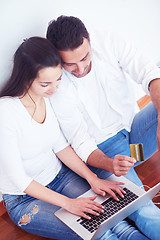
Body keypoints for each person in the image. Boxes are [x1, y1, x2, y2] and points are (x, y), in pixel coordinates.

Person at [0, 37, 149, 240]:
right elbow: (19, 179)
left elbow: (61, 146)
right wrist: (68, 203)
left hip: (62, 178)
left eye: (58, 79)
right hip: (24, 199)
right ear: (26, 78)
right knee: (100, 233)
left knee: (117, 222)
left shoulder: (46, 98)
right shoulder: (6, 113)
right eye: (45, 83)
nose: (54, 89)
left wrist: (93, 178)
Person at [46, 15, 160, 240]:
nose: (80, 68)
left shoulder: (108, 40)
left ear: (89, 39)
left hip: (135, 138)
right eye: (70, 64)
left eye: (84, 57)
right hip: (106, 153)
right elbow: (80, 142)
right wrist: (109, 163)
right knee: (140, 205)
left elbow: (149, 73)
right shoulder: (56, 85)